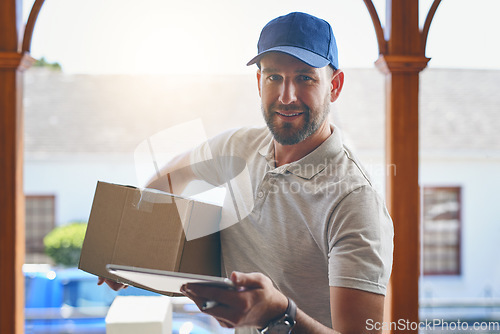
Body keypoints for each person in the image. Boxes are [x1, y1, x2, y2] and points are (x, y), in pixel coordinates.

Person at [99, 12, 393, 334]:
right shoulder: (238, 147)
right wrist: (130, 248)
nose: (286, 96)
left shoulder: (353, 201)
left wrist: (281, 315)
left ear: (334, 86)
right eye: (273, 77)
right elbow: (166, 180)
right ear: (258, 82)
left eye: (305, 78)